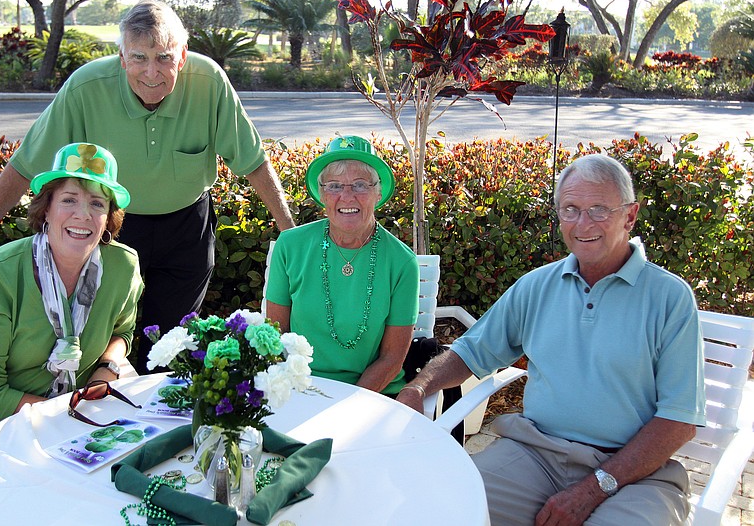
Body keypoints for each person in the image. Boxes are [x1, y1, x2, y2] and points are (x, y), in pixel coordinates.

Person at [0, 0, 294, 373]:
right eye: (139, 58)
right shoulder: (86, 87)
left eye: (164, 57)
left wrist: (291, 238)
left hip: (187, 228)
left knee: (172, 348)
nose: (152, 72)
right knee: (103, 346)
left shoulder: (210, 82)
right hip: (112, 228)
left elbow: (254, 162)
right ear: (121, 57)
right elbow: (24, 166)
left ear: (182, 57)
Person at [398, 153, 705, 525]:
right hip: (535, 454)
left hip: (634, 472)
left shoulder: (669, 297)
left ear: (630, 215)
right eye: (570, 209)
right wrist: (418, 387)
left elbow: (679, 419)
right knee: (442, 506)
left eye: (598, 210)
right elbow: (472, 351)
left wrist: (593, 488)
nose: (582, 223)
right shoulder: (538, 285)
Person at [0, 142, 143, 467]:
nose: (83, 214)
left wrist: (108, 368)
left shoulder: (123, 267)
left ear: (108, 218)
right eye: (69, 200)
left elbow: (123, 332)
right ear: (46, 208)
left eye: (97, 203)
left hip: (73, 408)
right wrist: (62, 414)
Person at [265, 135, 419, 395]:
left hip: (370, 394)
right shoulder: (290, 245)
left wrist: (348, 406)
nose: (347, 197)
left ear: (378, 192)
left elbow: (391, 359)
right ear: (322, 193)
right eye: (334, 186)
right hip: (299, 387)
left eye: (360, 185)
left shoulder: (402, 262)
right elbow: (276, 336)